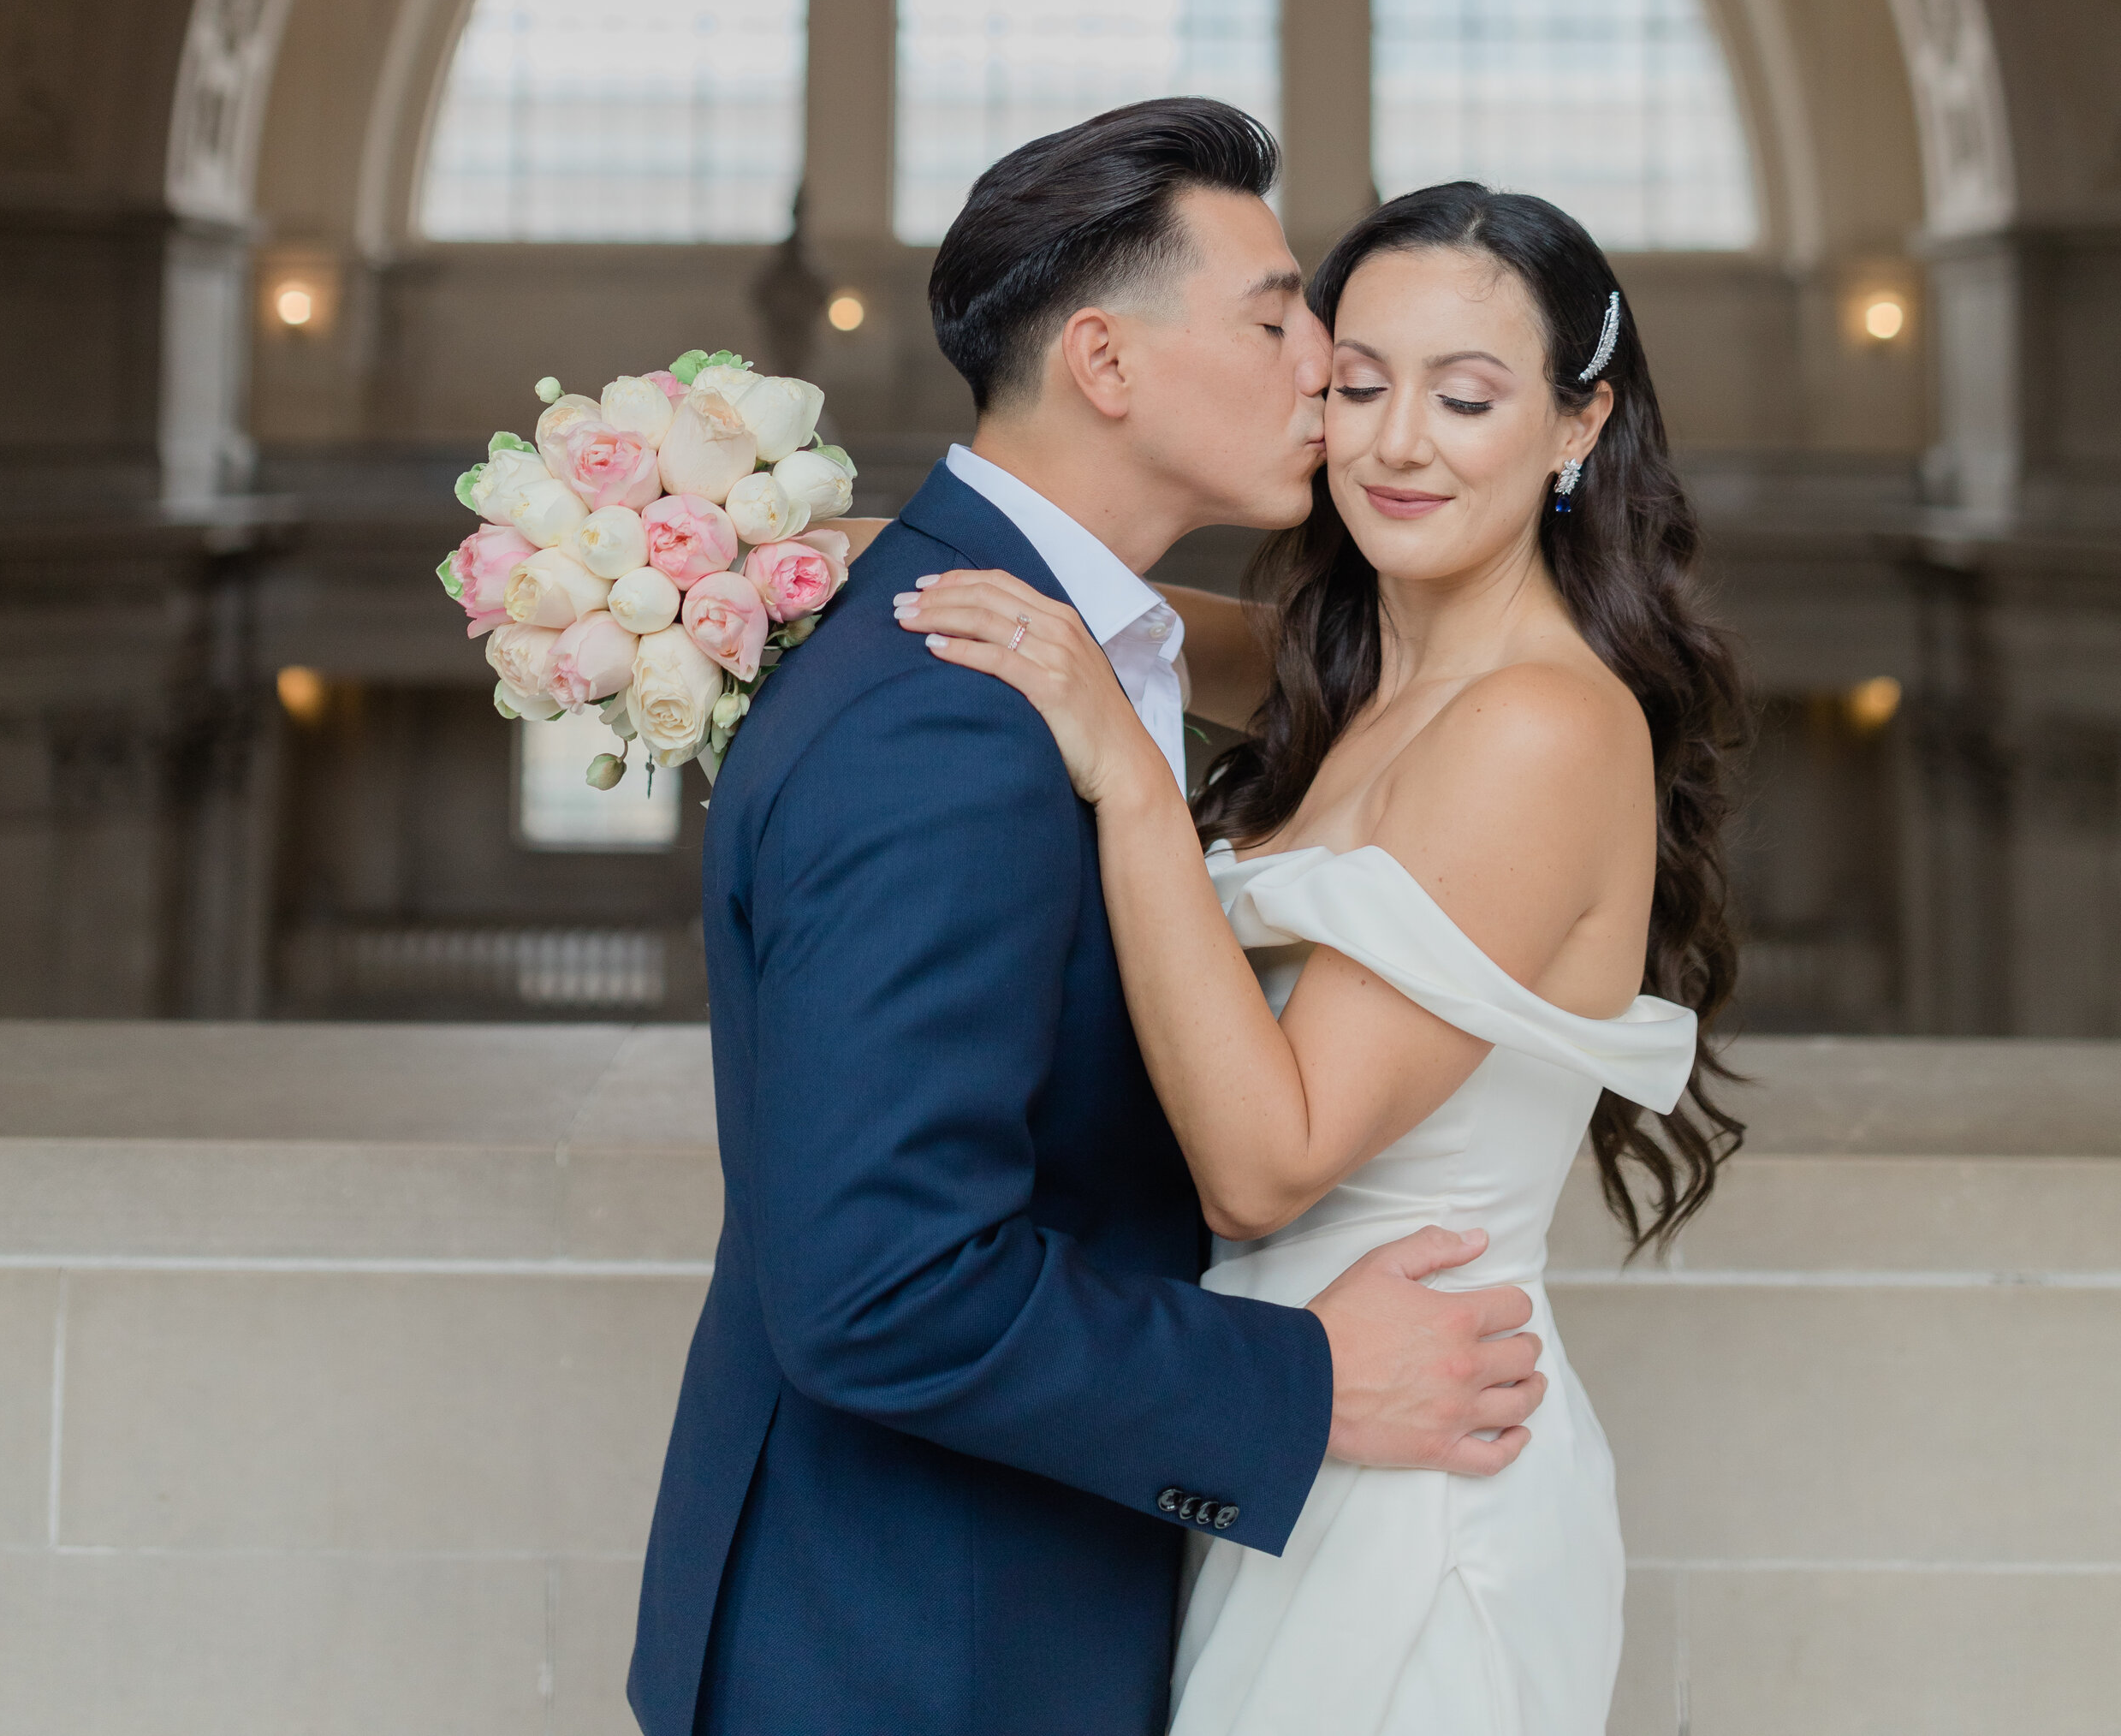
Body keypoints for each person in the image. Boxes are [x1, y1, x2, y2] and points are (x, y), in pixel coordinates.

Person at [628, 107, 1550, 1736]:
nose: (1327, 361)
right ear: (1107, 364)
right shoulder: (952, 714)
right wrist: (1312, 1386)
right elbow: (881, 1284)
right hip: (914, 1648)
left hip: (978, 1608)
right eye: (1278, 316)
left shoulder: (1051, 646)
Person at [906, 177, 1745, 1736]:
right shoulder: (1349, 668)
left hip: (1424, 1492)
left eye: (1467, 395)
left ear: (1578, 425)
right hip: (1294, 1433)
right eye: (1358, 384)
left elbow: (1265, 1162)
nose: (1397, 441)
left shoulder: (1541, 725)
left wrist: (1128, 773)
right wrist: (758, 547)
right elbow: (1083, 599)